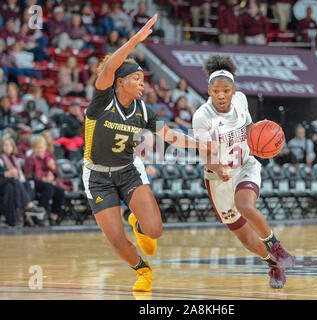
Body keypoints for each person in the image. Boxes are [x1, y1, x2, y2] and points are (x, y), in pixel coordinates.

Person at [82, 15, 210, 293]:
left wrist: (204, 144)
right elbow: (110, 67)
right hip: (97, 176)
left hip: (128, 171)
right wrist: (135, 41)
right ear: (119, 82)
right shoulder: (102, 100)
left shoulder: (143, 112)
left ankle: (138, 226)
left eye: (143, 79)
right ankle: (143, 270)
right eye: (136, 79)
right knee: (116, 240)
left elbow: (171, 136)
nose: (142, 84)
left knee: (154, 230)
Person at [192, 54, 295, 289]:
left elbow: (250, 128)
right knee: (245, 237)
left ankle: (276, 246)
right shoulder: (202, 117)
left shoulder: (240, 100)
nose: (221, 95)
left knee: (245, 206)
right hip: (218, 178)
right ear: (209, 90)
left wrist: (265, 134)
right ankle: (272, 264)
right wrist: (219, 168)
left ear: (233, 90)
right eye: (216, 90)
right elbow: (207, 158)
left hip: (246, 164)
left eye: (226, 90)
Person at [0, 136, 45, 226]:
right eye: (5, 145)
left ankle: (23, 218)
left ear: (13, 147)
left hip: (9, 184)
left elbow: (20, 175)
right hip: (2, 183)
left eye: (9, 145)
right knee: (14, 182)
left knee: (23, 184)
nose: (7, 147)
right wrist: (6, 174)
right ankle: (28, 206)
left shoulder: (15, 159)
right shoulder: (1, 158)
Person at [24, 136, 65, 226]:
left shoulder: (50, 156)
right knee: (48, 186)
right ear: (33, 148)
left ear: (45, 147)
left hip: (49, 182)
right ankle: (41, 213)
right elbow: (28, 175)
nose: (39, 149)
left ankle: (53, 217)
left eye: (41, 147)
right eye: (37, 147)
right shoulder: (30, 159)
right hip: (35, 184)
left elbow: (57, 174)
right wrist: (42, 178)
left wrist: (53, 168)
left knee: (60, 191)